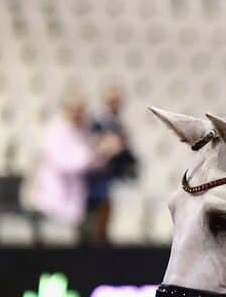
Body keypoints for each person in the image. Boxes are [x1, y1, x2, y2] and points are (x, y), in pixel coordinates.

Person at [21, 92, 123, 237]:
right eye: (76, 110)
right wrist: (100, 151)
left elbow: (92, 162)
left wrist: (105, 153)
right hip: (52, 205)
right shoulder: (55, 131)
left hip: (72, 206)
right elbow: (66, 163)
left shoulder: (81, 131)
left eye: (82, 110)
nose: (80, 114)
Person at [84, 85, 138, 245]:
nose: (116, 105)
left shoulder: (118, 125)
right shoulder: (97, 123)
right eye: (112, 102)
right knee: (95, 218)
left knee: (106, 215)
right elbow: (96, 148)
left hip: (111, 179)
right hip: (97, 180)